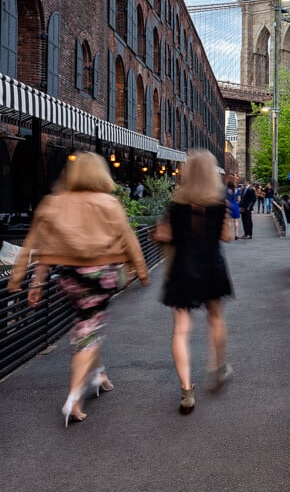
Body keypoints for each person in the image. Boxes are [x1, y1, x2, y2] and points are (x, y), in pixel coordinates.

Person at [9, 151, 149, 427]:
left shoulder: (54, 202)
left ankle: (99, 375)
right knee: (88, 327)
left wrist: (29, 281)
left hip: (70, 278)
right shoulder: (109, 203)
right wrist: (140, 271)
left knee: (89, 323)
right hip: (103, 276)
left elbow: (38, 244)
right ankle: (74, 396)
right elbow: (129, 240)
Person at [160, 150, 234, 415]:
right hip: (211, 265)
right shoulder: (219, 202)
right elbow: (226, 237)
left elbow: (163, 233)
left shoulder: (176, 202)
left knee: (181, 328)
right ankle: (219, 365)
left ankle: (186, 390)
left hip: (182, 267)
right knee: (215, 318)